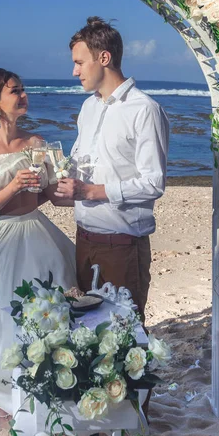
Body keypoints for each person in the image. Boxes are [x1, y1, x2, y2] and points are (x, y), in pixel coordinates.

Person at [0, 68, 76, 416]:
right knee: (6, 316)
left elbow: (52, 196)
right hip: (0, 242)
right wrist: (13, 186)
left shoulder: (37, 144)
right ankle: (12, 396)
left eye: (23, 89)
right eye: (14, 91)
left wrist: (76, 184)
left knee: (54, 312)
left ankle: (55, 387)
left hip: (38, 235)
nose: (23, 95)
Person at [55, 17, 169, 321]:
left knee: (125, 337)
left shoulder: (145, 109)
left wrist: (89, 191)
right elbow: (81, 168)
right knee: (85, 337)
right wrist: (57, 182)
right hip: (83, 241)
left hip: (122, 246)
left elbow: (153, 182)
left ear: (104, 58)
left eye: (80, 62)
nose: (74, 71)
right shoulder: (88, 107)